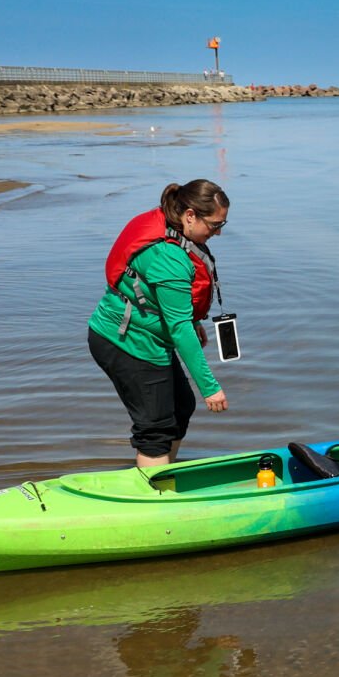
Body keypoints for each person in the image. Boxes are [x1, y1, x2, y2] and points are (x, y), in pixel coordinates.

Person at [88, 179, 231, 469]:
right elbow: (179, 329)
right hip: (127, 342)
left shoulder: (171, 224)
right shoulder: (169, 257)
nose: (217, 233)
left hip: (147, 335)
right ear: (190, 215)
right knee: (155, 427)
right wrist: (210, 387)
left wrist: (195, 321)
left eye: (222, 226)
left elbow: (171, 307)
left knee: (180, 407)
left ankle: (163, 472)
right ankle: (153, 496)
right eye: (214, 225)